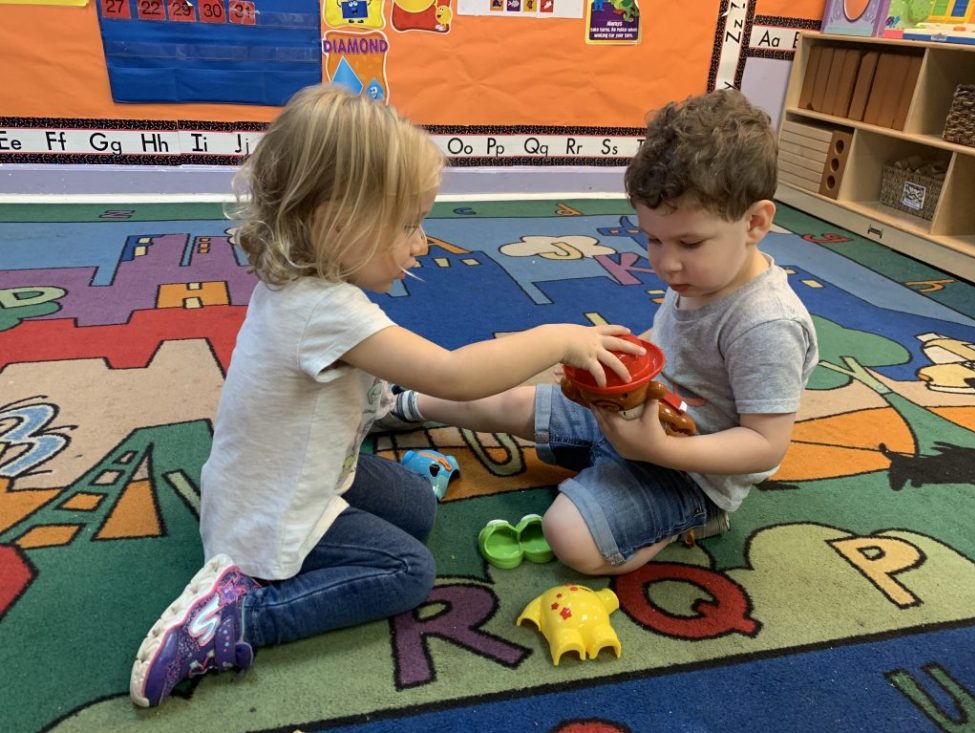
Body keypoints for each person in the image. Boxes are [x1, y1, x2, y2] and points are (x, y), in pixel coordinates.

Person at [128, 85, 643, 707]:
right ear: (335, 218)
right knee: (406, 571)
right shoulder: (327, 312)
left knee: (413, 505)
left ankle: (256, 570)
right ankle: (233, 620)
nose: (420, 243)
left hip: (267, 480)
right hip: (273, 513)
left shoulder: (303, 286)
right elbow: (452, 374)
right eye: (406, 224)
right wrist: (555, 339)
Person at [391, 88, 819, 576]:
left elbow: (765, 447)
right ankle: (398, 404)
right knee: (513, 400)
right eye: (652, 238)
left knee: (568, 536)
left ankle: (692, 519)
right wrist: (620, 357)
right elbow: (672, 350)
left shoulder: (766, 323)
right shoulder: (702, 273)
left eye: (689, 242)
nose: (666, 262)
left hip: (690, 471)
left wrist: (658, 450)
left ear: (756, 223)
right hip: (631, 415)